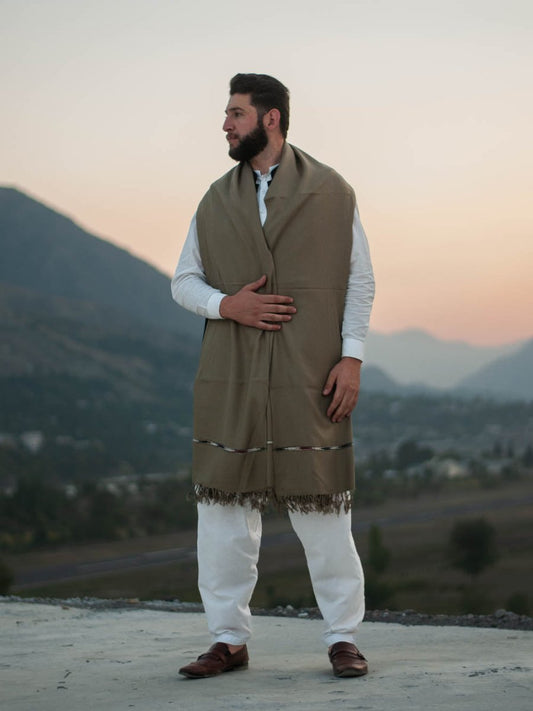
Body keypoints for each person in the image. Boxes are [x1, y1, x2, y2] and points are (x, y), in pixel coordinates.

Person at [171, 73, 375, 679]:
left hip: (310, 374)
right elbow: (183, 281)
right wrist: (226, 304)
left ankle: (343, 638)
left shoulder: (333, 192)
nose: (225, 124)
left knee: (323, 513)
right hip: (231, 378)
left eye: (235, 113)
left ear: (271, 119)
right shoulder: (214, 199)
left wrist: (352, 356)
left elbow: (359, 280)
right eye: (227, 114)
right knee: (224, 516)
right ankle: (228, 640)